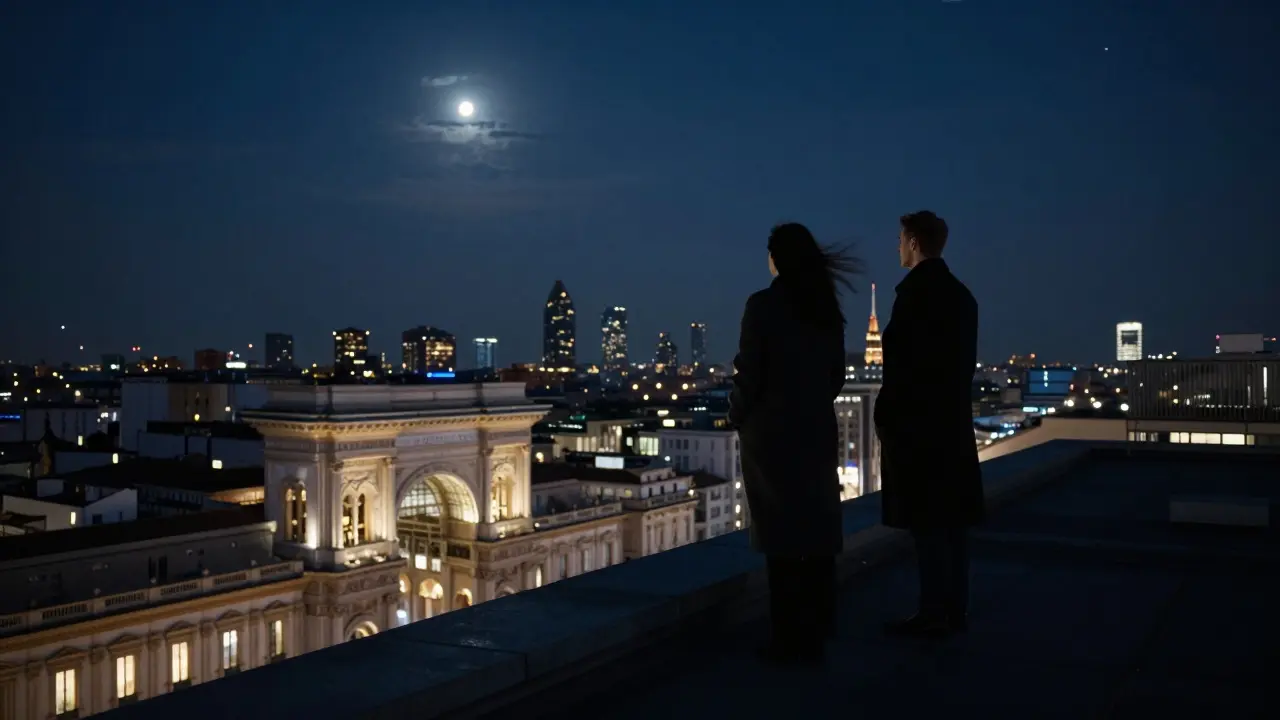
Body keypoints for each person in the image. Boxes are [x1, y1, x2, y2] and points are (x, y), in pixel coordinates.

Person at [729, 222, 860, 665]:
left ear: (777, 260)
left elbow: (749, 375)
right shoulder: (826, 308)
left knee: (781, 539)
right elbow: (836, 378)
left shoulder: (763, 305)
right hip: (815, 430)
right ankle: (819, 628)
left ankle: (788, 639)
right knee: (816, 533)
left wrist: (736, 415)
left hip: (772, 439)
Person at [875, 210, 985, 638]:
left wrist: (888, 418)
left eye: (901, 239)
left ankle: (932, 611)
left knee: (927, 525)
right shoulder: (961, 295)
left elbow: (903, 368)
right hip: (950, 424)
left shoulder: (915, 295)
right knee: (952, 525)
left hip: (918, 428)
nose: (897, 247)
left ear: (915, 242)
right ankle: (954, 609)